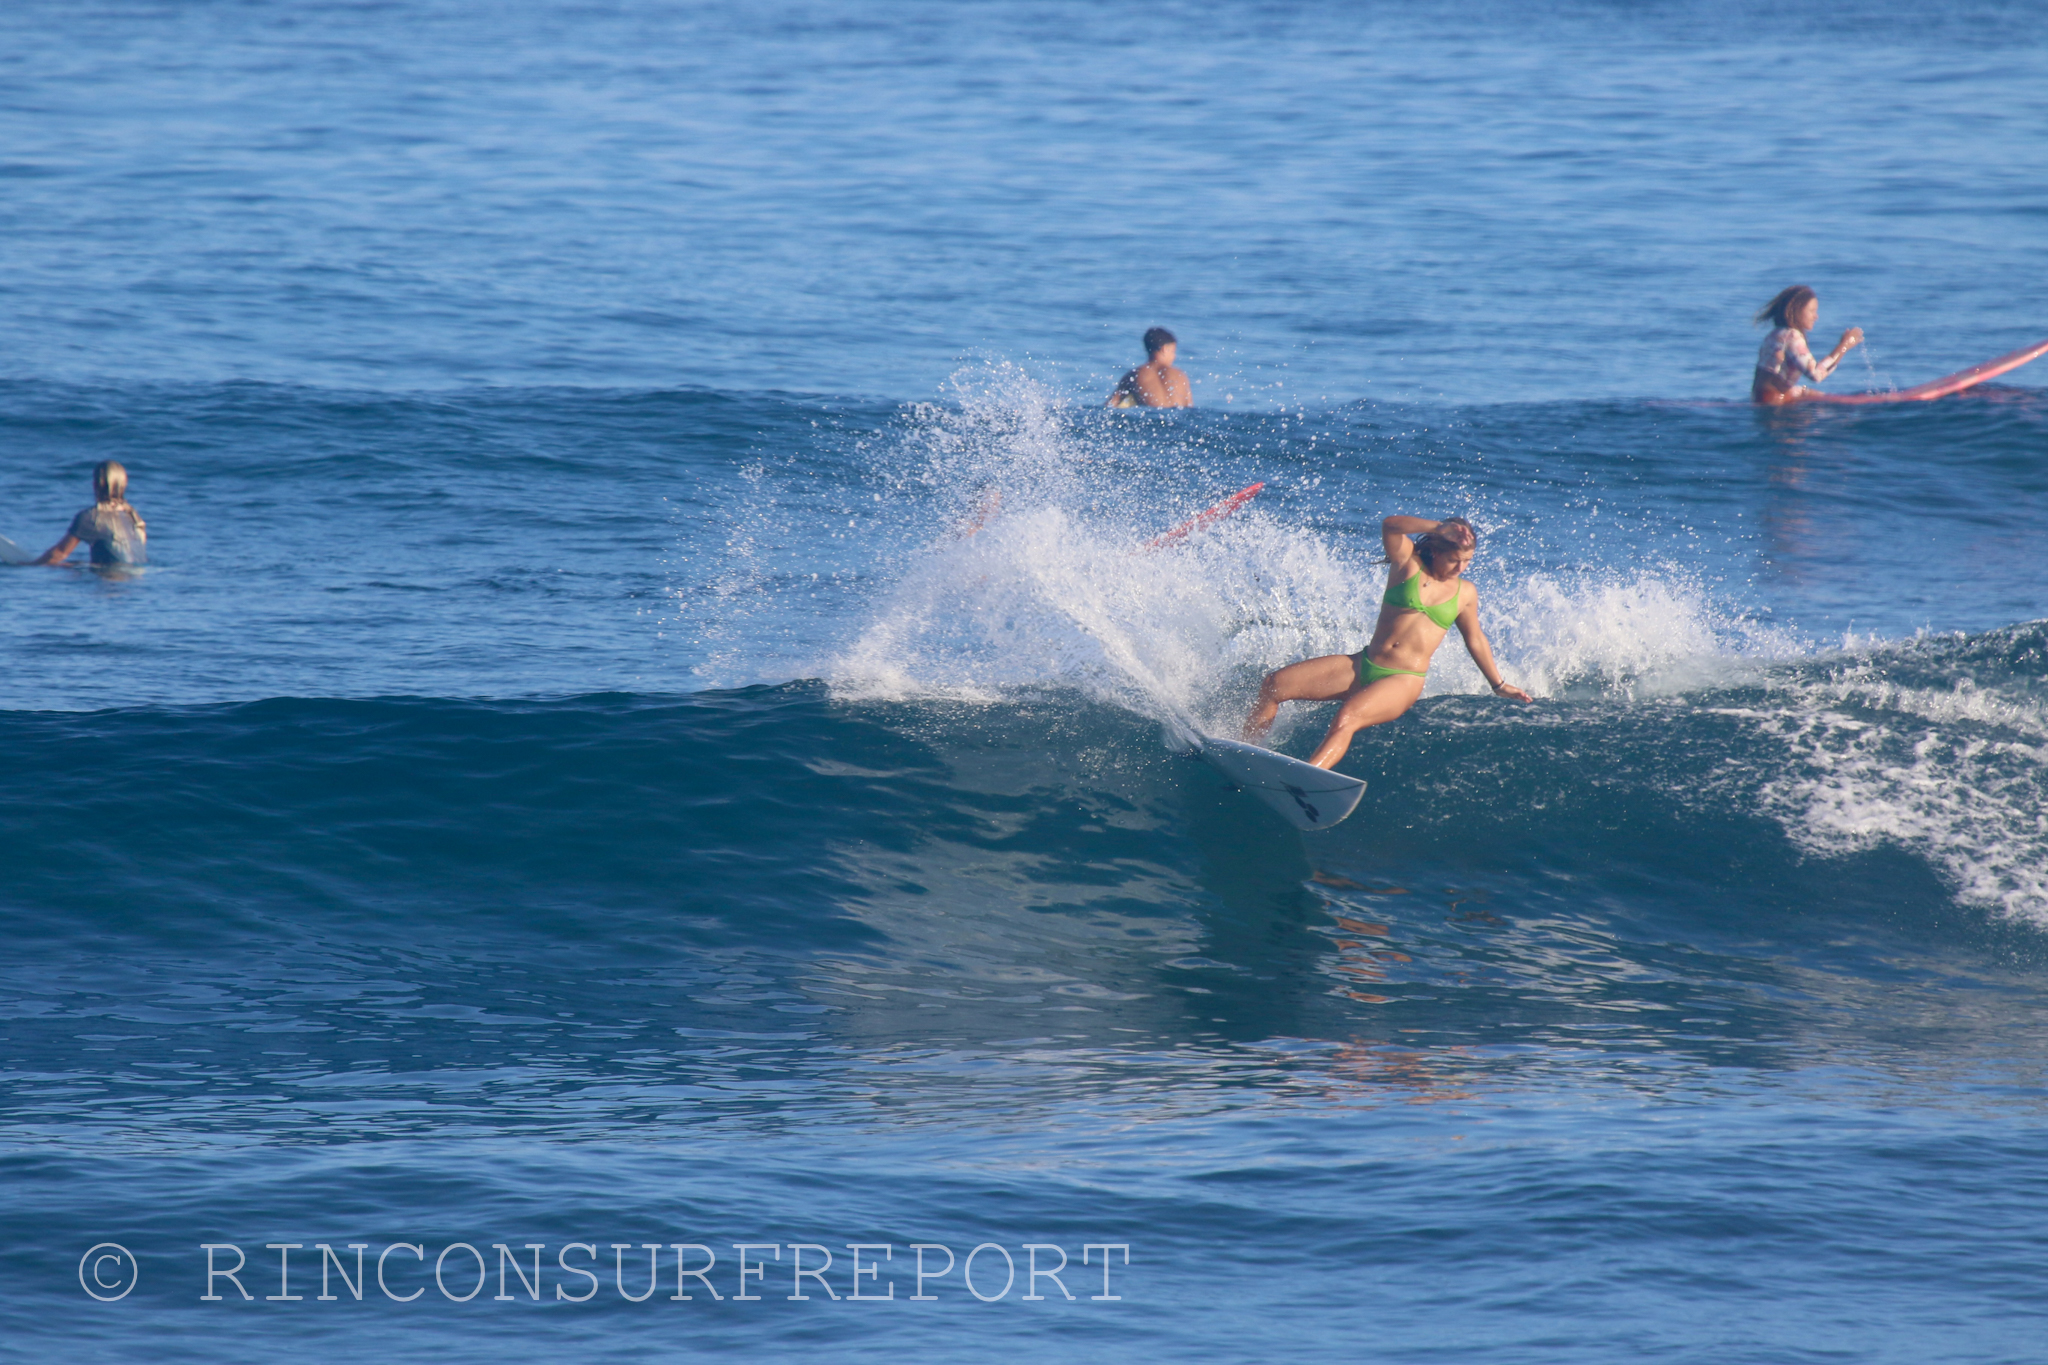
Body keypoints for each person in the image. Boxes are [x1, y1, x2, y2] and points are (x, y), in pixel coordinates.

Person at [1242, 515, 1531, 769]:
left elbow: (1475, 639)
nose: (1461, 568)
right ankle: (1245, 753)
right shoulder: (1408, 564)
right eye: (1455, 559)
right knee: (1274, 684)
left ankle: (1304, 778)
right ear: (1435, 550)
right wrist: (1440, 527)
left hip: (1403, 679)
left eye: (1467, 561)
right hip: (1363, 663)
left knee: (1347, 717)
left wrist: (1499, 685)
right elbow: (1391, 526)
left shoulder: (1465, 593)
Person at [1752, 286, 1863, 405]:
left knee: (1808, 392)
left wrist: (1804, 392)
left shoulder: (1774, 334)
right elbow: (1815, 375)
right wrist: (1844, 346)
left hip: (1760, 398)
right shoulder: (1792, 336)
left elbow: (1774, 379)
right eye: (1812, 311)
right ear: (1797, 310)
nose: (1816, 316)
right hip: (1776, 403)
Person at [33, 460, 148, 566]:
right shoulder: (133, 516)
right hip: (135, 582)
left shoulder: (92, 517)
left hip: (110, 581)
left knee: (64, 568)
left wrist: (30, 566)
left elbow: (59, 553)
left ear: (97, 484)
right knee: (74, 565)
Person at [1106, 327, 1192, 408]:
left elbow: (1110, 405)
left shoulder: (1134, 375)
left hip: (1151, 417)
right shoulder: (1180, 375)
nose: (1174, 356)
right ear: (1164, 349)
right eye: (1173, 351)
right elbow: (1190, 408)